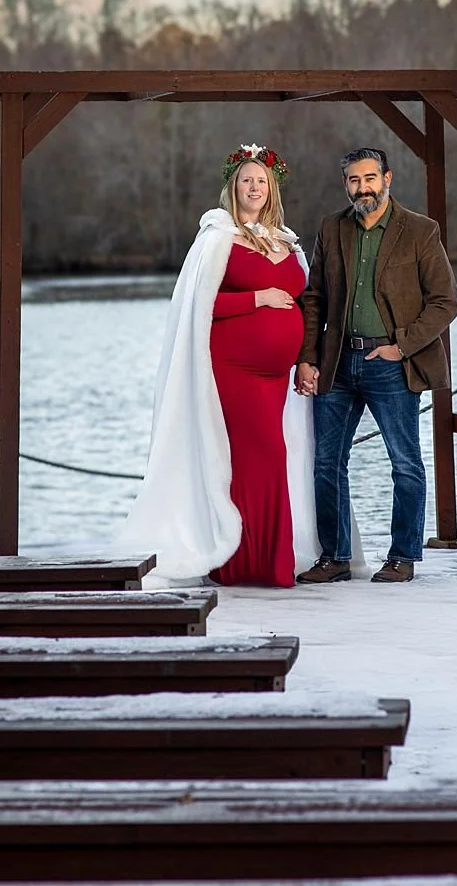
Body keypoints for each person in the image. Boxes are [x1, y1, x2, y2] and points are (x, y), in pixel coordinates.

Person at [112, 143, 325, 587]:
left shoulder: (286, 240)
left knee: (275, 457)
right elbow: (199, 304)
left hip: (279, 377)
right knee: (262, 456)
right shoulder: (217, 239)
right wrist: (257, 299)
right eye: (246, 180)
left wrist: (307, 358)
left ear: (272, 189)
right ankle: (244, 561)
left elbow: (308, 303)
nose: (254, 187)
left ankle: (267, 559)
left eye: (261, 181)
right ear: (233, 186)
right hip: (236, 371)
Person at [295, 147, 457, 584]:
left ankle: (403, 557)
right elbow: (314, 299)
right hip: (338, 363)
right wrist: (307, 357)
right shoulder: (333, 228)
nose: (362, 187)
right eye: (353, 180)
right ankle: (335, 558)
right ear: (345, 183)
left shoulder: (420, 231)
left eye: (369, 178)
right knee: (327, 464)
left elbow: (445, 303)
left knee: (405, 463)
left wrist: (400, 346)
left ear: (388, 178)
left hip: (391, 364)